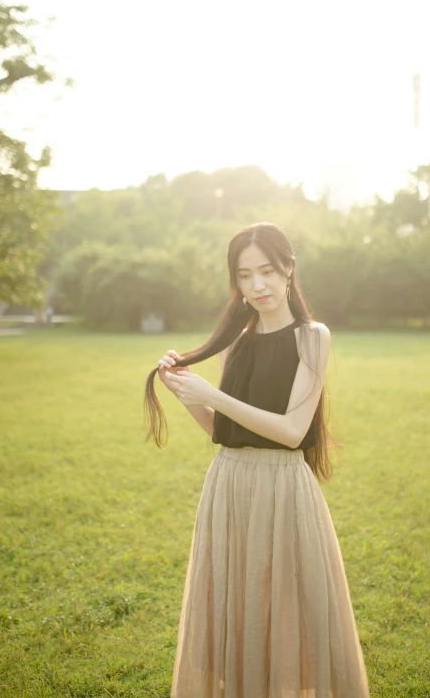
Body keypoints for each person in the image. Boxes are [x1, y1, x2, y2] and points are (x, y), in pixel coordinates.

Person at [144, 222, 370, 698]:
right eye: (245, 276)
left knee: (284, 606)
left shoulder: (312, 337)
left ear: (289, 269)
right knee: (237, 606)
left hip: (285, 486)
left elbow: (291, 432)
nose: (257, 285)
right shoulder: (237, 340)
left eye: (267, 270)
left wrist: (214, 394)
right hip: (229, 483)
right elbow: (224, 433)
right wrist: (188, 395)